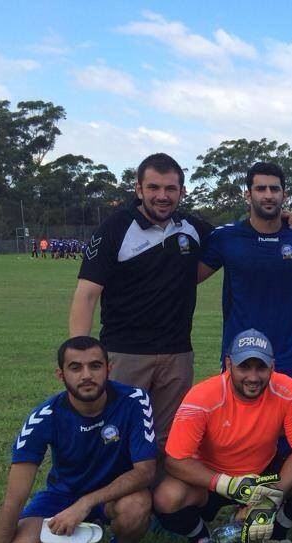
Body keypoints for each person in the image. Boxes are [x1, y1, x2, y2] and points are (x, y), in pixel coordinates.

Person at [0, 337, 157, 543]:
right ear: (60, 374)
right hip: (64, 495)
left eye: (95, 366)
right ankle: (83, 541)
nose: (86, 375)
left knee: (136, 506)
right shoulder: (43, 417)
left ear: (108, 368)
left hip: (114, 496)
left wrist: (85, 504)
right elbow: (12, 502)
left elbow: (146, 471)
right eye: (75, 367)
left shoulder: (134, 400)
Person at [152, 329, 292, 543]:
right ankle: (200, 540)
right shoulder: (203, 396)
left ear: (272, 366)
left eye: (261, 367)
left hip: (262, 472)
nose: (253, 377)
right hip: (213, 476)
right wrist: (228, 485)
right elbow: (174, 461)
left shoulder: (287, 389)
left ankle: (276, 534)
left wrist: (270, 498)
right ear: (228, 365)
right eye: (244, 367)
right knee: (166, 497)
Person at [69, 153, 212, 450]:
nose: (162, 196)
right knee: (115, 435)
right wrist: (79, 356)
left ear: (182, 192)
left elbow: (238, 236)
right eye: (153, 187)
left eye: (170, 188)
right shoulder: (115, 228)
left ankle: (158, 483)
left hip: (177, 355)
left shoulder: (193, 228)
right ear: (138, 189)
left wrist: (286, 220)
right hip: (125, 353)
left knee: (168, 441)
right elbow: (86, 294)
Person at [198, 162, 292, 388]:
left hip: (287, 353)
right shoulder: (226, 237)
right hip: (240, 352)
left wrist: (285, 295)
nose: (268, 195)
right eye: (261, 189)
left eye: (274, 189)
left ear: (284, 195)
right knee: (238, 411)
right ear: (248, 195)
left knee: (287, 411)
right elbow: (190, 277)